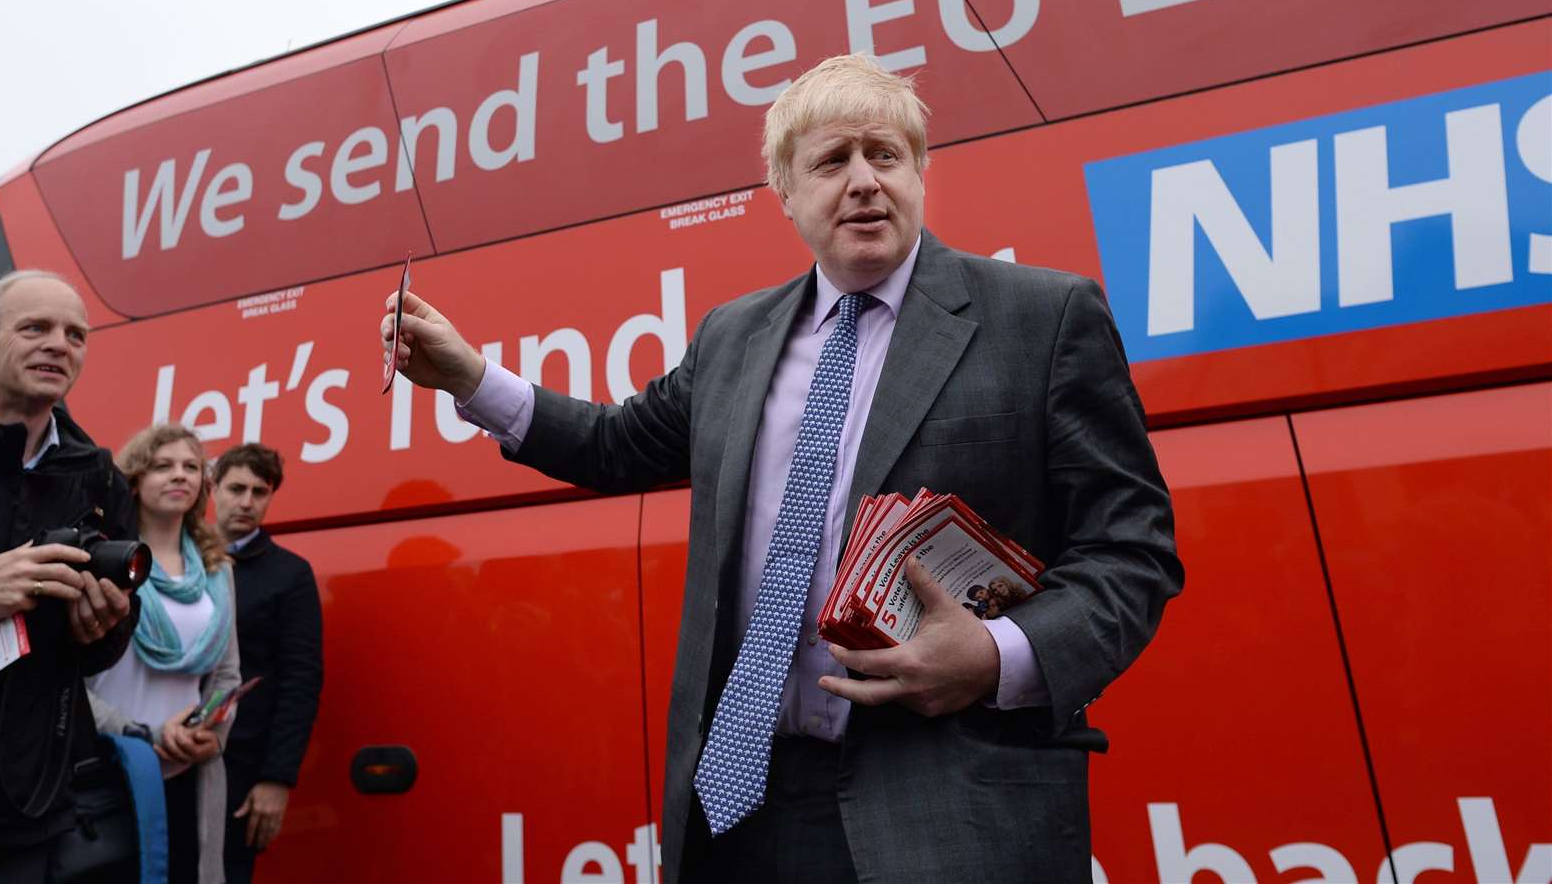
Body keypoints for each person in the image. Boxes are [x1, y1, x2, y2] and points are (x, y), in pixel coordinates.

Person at [381, 53, 1183, 882]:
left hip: (950, 810)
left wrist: (996, 655)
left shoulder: (1041, 318)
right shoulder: (734, 336)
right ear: (785, 194)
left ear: (919, 173)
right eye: (833, 161)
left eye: (885, 155)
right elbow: (616, 444)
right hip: (743, 806)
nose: (864, 181)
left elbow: (1132, 551)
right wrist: (470, 379)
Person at [0, 269, 140, 881]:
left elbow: (102, 653)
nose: (59, 345)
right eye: (36, 328)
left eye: (76, 335)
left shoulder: (100, 477)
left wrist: (100, 627)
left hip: (30, 816)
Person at [88, 424, 240, 884]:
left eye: (191, 467)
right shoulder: (105, 560)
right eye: (163, 466)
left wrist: (212, 734)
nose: (180, 476)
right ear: (134, 478)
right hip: (113, 766)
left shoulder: (218, 570)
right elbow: (70, 681)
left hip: (191, 772)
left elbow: (227, 677)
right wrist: (144, 733)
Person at [209, 442, 323, 883]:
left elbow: (301, 680)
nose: (247, 502)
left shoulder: (289, 574)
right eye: (236, 488)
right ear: (212, 489)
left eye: (260, 491)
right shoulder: (180, 560)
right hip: (171, 753)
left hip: (242, 767)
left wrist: (277, 779)